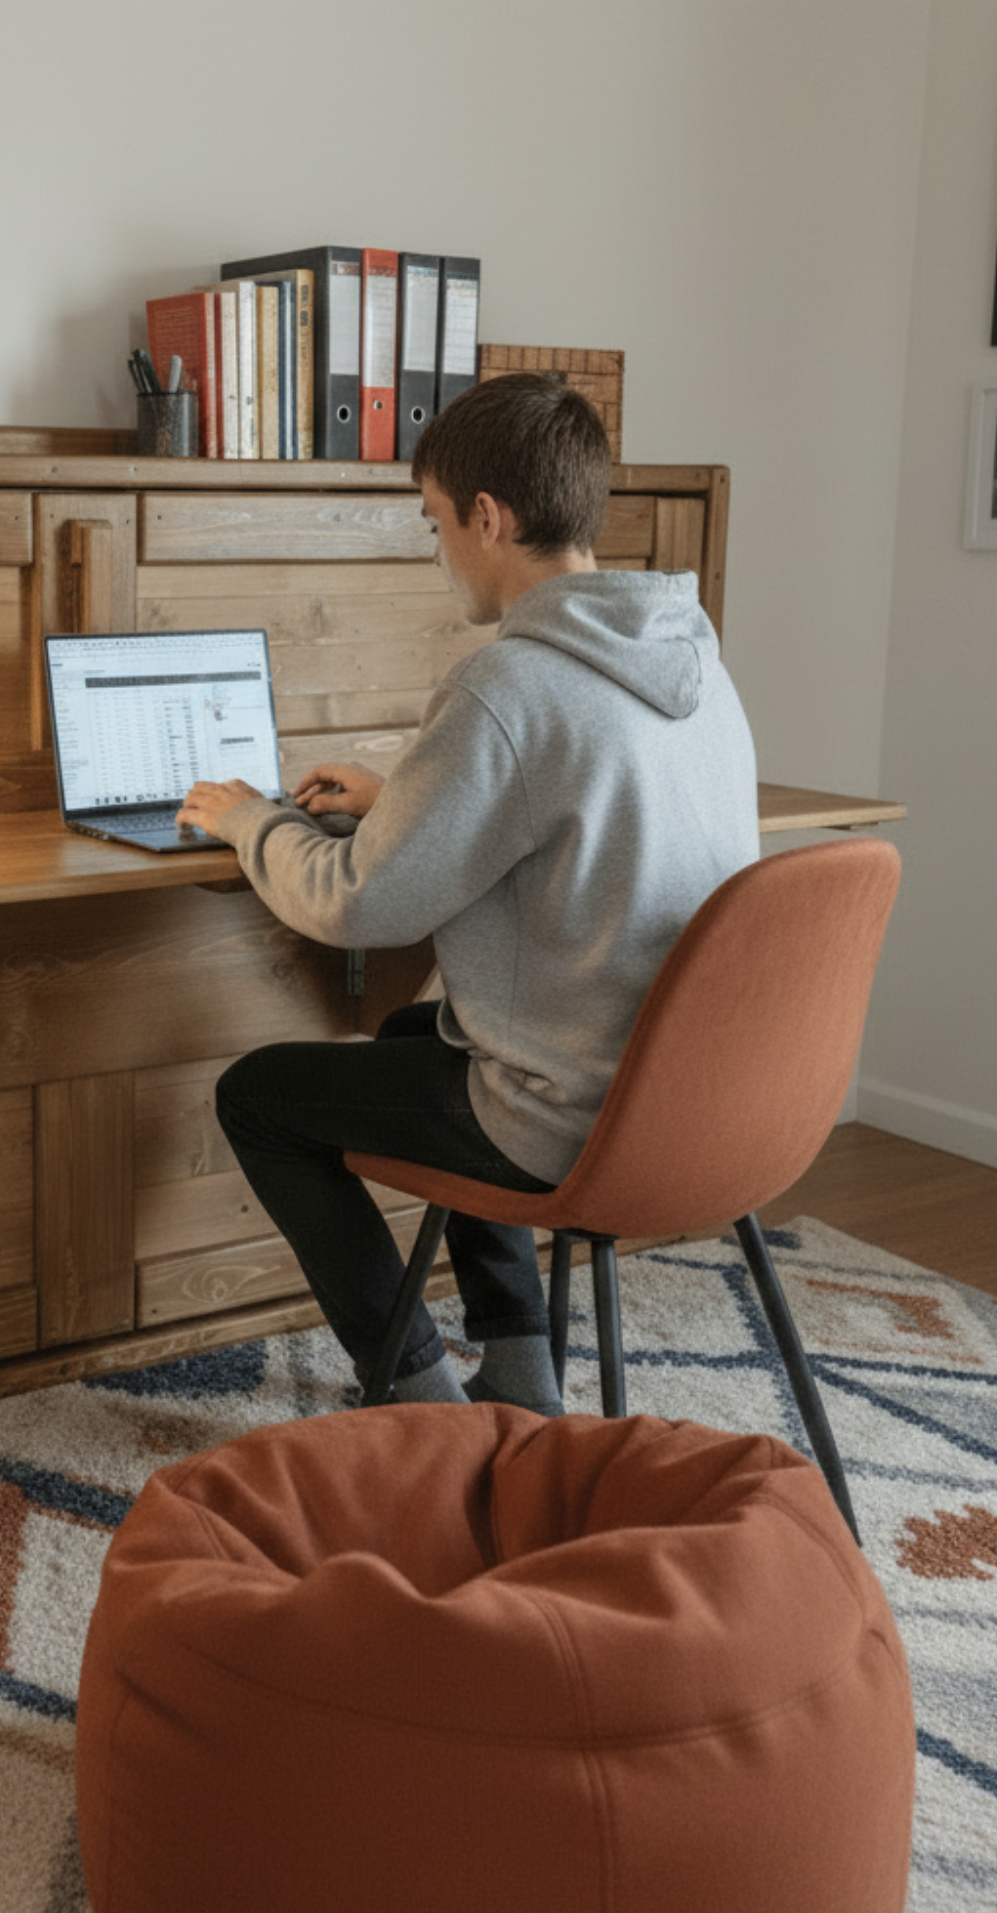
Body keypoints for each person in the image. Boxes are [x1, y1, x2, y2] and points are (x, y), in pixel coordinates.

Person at [175, 371, 759, 1413]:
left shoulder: (508, 682)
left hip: (572, 1117)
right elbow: (571, 799)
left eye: (433, 520)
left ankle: (419, 1400)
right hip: (708, 1101)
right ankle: (521, 1368)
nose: (436, 549)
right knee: (423, 1032)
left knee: (256, 1097)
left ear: (486, 517)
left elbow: (355, 902)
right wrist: (407, 795)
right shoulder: (694, 661)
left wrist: (248, 819)